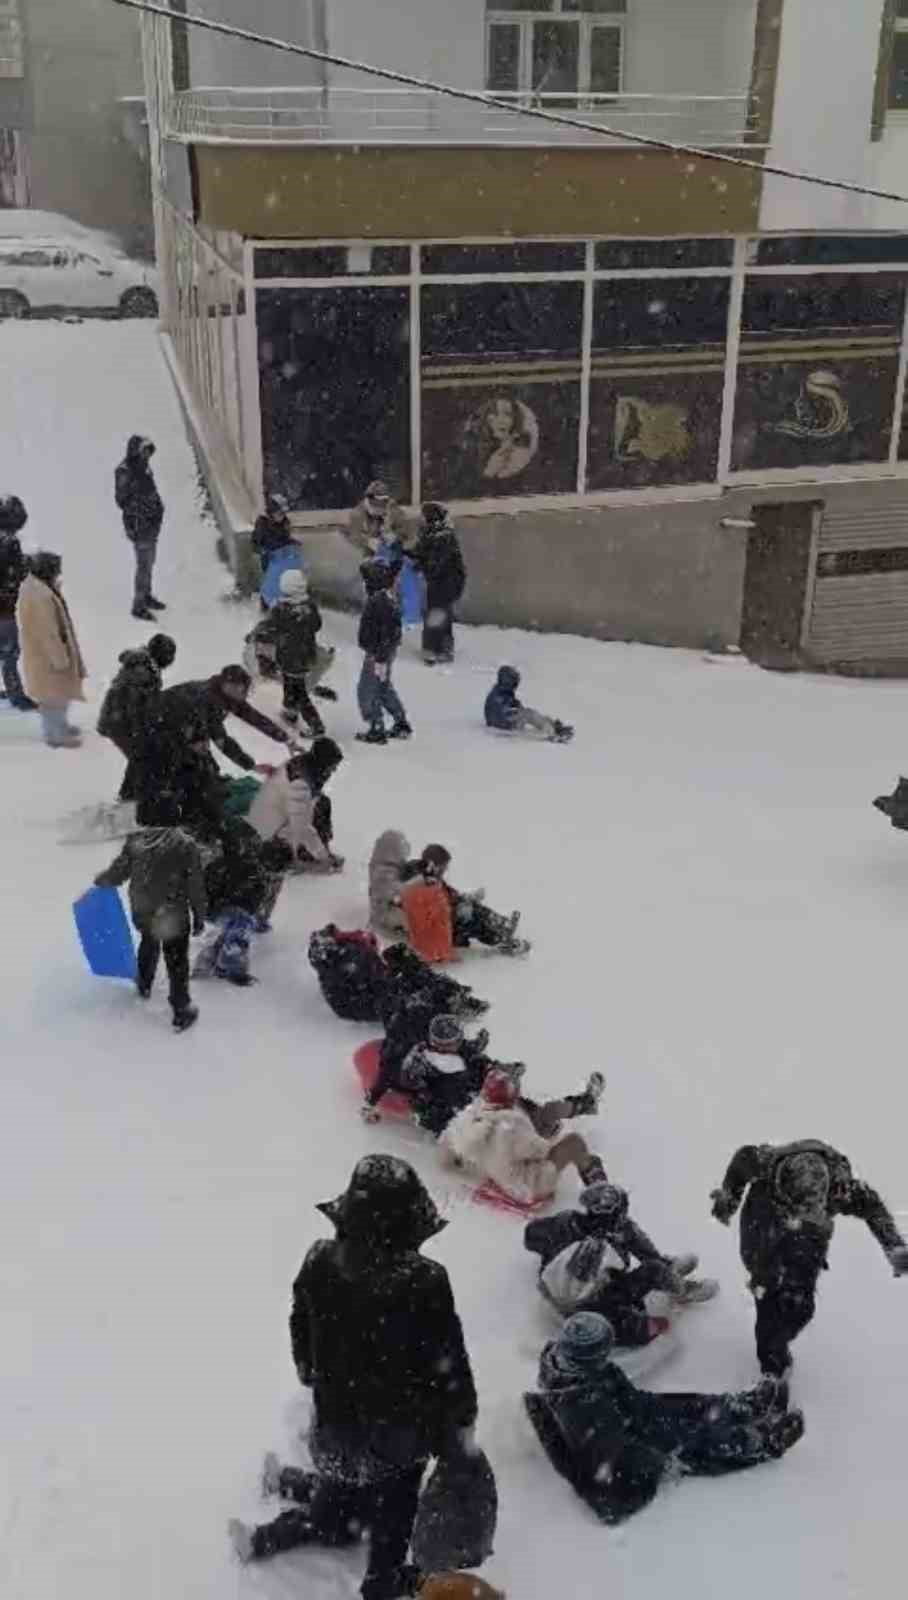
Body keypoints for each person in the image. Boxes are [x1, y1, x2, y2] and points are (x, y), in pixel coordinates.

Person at [228, 1156, 478, 1600]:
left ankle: (274, 1517)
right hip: (400, 1438)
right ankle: (381, 1583)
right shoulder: (426, 1281)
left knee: (336, 1504)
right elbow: (448, 1365)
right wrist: (458, 1426)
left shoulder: (320, 1259)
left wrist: (312, 1373)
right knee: (394, 1517)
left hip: (335, 1425)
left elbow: (299, 1327)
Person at [525, 1312, 804, 1526]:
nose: (610, 1353)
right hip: (620, 1471)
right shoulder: (583, 1410)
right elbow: (617, 1456)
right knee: (689, 1440)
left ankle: (742, 1406)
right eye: (605, 1350)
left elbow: (632, 1400)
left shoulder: (571, 1364)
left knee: (674, 1405)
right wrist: (663, 1457)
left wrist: (656, 1410)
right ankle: (759, 1444)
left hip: (618, 1418)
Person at [711, 1138, 908, 1377]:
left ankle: (781, 1330)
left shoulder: (842, 1190)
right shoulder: (764, 1162)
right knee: (767, 1284)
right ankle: (772, 1362)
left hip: (809, 1235)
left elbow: (873, 1208)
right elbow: (742, 1158)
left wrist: (894, 1246)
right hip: (765, 1212)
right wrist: (729, 1197)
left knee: (800, 1305)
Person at [524, 1182, 714, 1347]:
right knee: (638, 1324)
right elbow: (531, 1235)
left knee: (653, 1266)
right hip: (586, 1303)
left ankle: (672, 1277)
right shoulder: (570, 1224)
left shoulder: (587, 1224)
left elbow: (530, 1238)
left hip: (585, 1292)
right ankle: (667, 1284)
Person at [95, 796, 205, 1031]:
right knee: (177, 961)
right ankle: (181, 1007)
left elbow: (119, 872)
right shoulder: (185, 844)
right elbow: (195, 885)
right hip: (174, 914)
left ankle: (144, 982)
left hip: (143, 910)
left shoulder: (136, 841)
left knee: (149, 942)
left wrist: (103, 880)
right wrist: (199, 914)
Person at [440, 1069, 606, 1205]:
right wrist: (547, 1137)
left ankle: (583, 1103)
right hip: (527, 1187)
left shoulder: (472, 1118)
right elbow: (542, 1151)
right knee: (574, 1142)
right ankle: (602, 1193)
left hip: (501, 1177)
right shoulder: (511, 1127)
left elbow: (449, 1149)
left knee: (543, 1112)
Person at [308, 928, 487, 1026]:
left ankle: (447, 990)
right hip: (359, 1004)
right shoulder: (347, 962)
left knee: (403, 958)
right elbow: (372, 982)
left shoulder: (349, 947)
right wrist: (396, 977)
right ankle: (448, 1004)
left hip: (368, 987)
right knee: (408, 994)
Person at [156, 665, 288, 777]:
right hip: (160, 729)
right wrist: (251, 765)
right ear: (229, 685)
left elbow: (253, 716)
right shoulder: (207, 699)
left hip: (183, 726)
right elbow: (220, 739)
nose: (244, 694)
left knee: (207, 771)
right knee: (196, 773)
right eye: (242, 690)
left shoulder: (225, 694)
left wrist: (284, 738)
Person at [405, 844, 529, 958]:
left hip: (442, 920)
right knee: (472, 919)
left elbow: (447, 893)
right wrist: (456, 911)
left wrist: (466, 898)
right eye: (443, 867)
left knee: (471, 906)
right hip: (436, 932)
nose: (445, 870)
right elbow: (431, 914)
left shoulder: (430, 875)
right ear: (434, 865)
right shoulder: (421, 883)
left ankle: (502, 924)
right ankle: (501, 941)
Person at [16, 551, 86, 748]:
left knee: (57, 694)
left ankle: (60, 726)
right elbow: (48, 632)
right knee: (52, 696)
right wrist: (59, 658)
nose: (58, 575)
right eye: (56, 571)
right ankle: (55, 735)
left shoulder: (40, 588)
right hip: (47, 655)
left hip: (47, 652)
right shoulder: (39, 596)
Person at [97, 633, 176, 801]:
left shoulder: (146, 664)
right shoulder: (142, 670)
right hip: (119, 721)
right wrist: (142, 729)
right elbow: (134, 703)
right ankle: (131, 796)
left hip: (119, 719)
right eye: (170, 655)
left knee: (140, 757)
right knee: (142, 756)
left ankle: (129, 795)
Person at [248, 737, 344, 872]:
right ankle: (305, 855)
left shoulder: (306, 765)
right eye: (332, 766)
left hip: (282, 818)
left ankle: (311, 851)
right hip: (268, 834)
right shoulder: (299, 783)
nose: (333, 770)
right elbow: (302, 826)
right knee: (305, 819)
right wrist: (322, 857)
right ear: (323, 763)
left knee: (322, 803)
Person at [265, 568, 326, 735]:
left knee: (298, 692)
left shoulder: (282, 609)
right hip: (305, 657)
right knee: (291, 685)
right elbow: (317, 625)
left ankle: (316, 725)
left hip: (289, 657)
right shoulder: (309, 607)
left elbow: (272, 628)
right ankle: (290, 712)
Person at [357, 560, 412, 744]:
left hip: (378, 654)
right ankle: (401, 722)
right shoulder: (384, 598)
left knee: (367, 690)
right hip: (383, 652)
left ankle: (376, 727)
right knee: (382, 687)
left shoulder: (379, 602)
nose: (363, 584)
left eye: (366, 580)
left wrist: (380, 657)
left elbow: (388, 632)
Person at [114, 435, 165, 621]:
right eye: (143, 450)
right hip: (139, 524)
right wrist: (141, 507)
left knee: (149, 562)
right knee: (143, 564)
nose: (146, 455)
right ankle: (138, 604)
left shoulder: (144, 468)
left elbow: (151, 491)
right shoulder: (125, 471)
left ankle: (146, 595)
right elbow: (122, 500)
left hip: (151, 523)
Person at [412, 504, 466, 665]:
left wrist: (421, 565)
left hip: (448, 581)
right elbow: (421, 552)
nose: (423, 520)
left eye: (425, 516)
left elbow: (436, 563)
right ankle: (441, 649)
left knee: (437, 613)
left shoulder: (444, 536)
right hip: (439, 580)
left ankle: (435, 650)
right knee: (439, 612)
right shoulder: (430, 533)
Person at [0, 494, 36, 710]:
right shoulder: (9, 542)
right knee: (9, 652)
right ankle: (16, 696)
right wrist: (26, 565)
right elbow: (14, 573)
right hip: (3, 608)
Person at [484, 666, 573, 745]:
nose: (515, 684)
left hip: (504, 721)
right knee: (529, 714)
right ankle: (552, 733)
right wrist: (515, 713)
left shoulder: (504, 692)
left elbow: (513, 704)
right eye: (513, 681)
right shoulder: (496, 695)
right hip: (501, 723)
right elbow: (499, 712)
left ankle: (553, 726)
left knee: (530, 712)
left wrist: (517, 707)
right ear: (507, 680)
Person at [369, 828, 421, 936]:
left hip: (389, 909)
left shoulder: (387, 865)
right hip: (386, 916)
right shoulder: (384, 872)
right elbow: (394, 892)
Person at [347, 480, 410, 558]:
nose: (382, 505)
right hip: (367, 555)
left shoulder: (393, 508)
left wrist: (395, 537)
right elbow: (354, 537)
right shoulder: (357, 514)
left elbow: (405, 530)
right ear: (369, 499)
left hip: (391, 553)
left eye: (384, 501)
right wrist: (368, 542)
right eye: (378, 501)